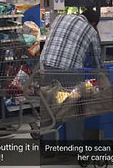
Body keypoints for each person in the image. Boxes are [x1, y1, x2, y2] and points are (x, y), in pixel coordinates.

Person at [40, 9, 102, 140]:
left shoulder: (60, 18)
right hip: (70, 71)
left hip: (47, 67)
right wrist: (98, 79)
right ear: (94, 23)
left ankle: (47, 147)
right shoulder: (91, 31)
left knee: (50, 107)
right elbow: (97, 62)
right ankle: (73, 147)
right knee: (74, 109)